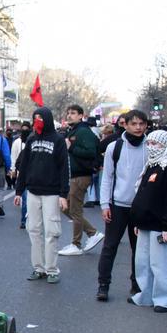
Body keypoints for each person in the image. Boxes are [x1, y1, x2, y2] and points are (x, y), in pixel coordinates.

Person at [129, 129, 167, 313]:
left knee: (161, 264)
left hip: (160, 224)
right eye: (150, 144)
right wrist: (137, 221)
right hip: (144, 222)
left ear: (166, 145)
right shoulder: (151, 164)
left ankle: (165, 300)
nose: (151, 147)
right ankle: (145, 296)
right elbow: (143, 193)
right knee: (143, 262)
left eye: (156, 144)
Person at [96, 110, 147, 301]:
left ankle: (137, 285)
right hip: (117, 205)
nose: (138, 127)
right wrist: (104, 205)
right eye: (134, 124)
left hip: (140, 208)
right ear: (125, 125)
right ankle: (103, 285)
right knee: (110, 246)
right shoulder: (114, 147)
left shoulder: (150, 146)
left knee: (139, 249)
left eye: (142, 124)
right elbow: (107, 178)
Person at [14, 108, 70, 284]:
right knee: (33, 229)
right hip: (32, 191)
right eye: (34, 118)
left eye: (40, 118)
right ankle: (38, 268)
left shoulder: (58, 140)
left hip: (52, 192)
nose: (37, 121)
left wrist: (63, 194)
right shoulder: (31, 139)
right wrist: (18, 191)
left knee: (52, 231)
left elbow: (63, 169)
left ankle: (52, 269)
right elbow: (24, 166)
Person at [59, 104, 104, 255]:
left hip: (81, 176)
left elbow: (90, 152)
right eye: (68, 113)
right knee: (65, 207)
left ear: (81, 115)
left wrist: (71, 147)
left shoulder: (83, 131)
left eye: (73, 113)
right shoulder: (74, 131)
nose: (69, 115)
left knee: (75, 210)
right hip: (74, 175)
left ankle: (76, 245)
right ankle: (92, 233)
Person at [10, 121, 30, 229]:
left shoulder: (32, 143)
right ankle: (24, 220)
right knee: (25, 199)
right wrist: (13, 169)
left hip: (29, 174)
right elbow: (14, 157)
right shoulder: (17, 143)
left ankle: (27, 219)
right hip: (21, 173)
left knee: (27, 199)